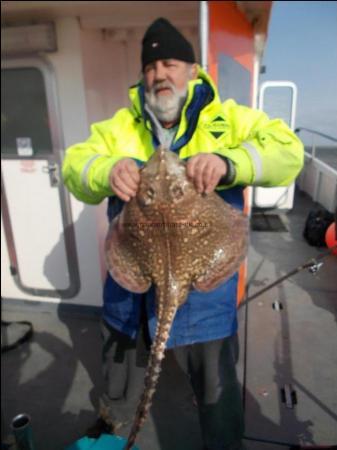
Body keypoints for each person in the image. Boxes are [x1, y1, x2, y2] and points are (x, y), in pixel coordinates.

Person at [62, 17, 304, 450]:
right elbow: (74, 166)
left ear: (193, 70)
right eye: (151, 67)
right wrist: (105, 170)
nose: (160, 75)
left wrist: (231, 162)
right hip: (130, 288)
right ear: (143, 76)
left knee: (215, 389)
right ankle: (115, 432)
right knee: (118, 380)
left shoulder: (229, 119)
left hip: (204, 295)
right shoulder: (119, 125)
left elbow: (289, 152)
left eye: (170, 63)